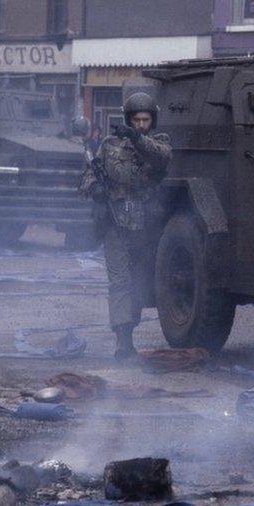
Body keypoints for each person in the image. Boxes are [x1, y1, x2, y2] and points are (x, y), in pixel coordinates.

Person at [78, 92, 172, 360]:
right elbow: (87, 176)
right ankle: (123, 339)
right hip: (115, 224)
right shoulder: (109, 144)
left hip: (146, 227)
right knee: (119, 282)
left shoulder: (159, 141)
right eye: (136, 120)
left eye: (145, 119)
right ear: (128, 118)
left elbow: (161, 158)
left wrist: (136, 138)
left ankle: (130, 326)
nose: (141, 123)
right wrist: (94, 188)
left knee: (140, 283)